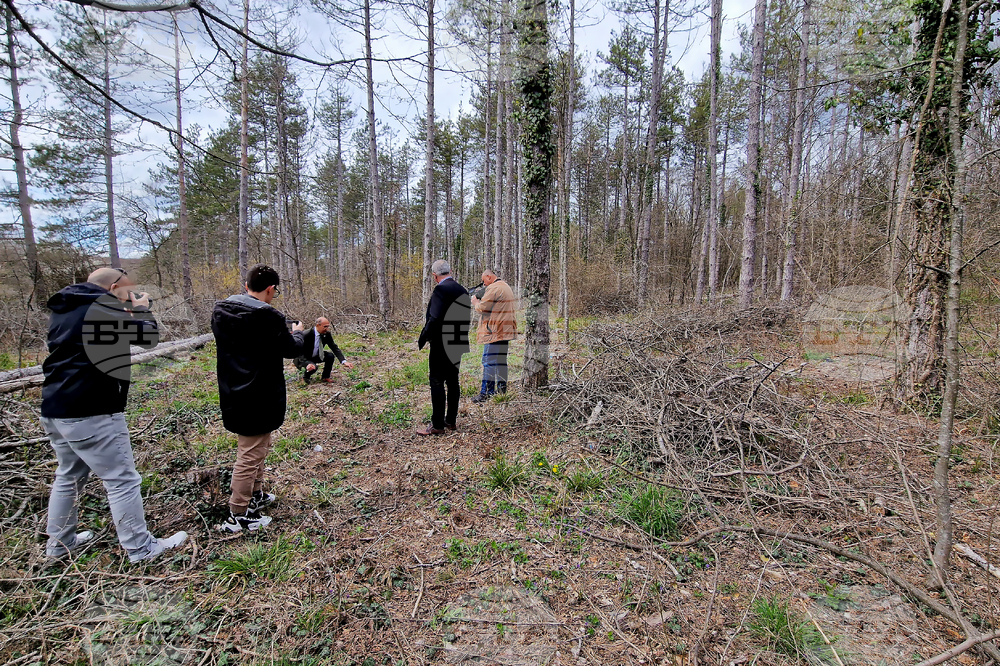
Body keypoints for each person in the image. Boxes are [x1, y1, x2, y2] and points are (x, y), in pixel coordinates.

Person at [40, 267, 187, 562]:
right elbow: (148, 338)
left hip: (56, 406)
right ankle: (141, 549)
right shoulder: (103, 308)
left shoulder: (66, 308)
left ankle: (59, 545)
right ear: (115, 285)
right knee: (122, 480)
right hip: (92, 409)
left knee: (68, 477)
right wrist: (141, 309)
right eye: (128, 288)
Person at [212, 264, 305, 532]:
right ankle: (238, 512)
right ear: (270, 289)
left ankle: (256, 494)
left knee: (259, 447)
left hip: (233, 390)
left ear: (246, 286)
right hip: (258, 394)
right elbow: (290, 349)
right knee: (250, 454)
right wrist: (297, 332)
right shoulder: (267, 317)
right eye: (275, 291)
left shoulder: (223, 312)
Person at [416, 260, 470, 435]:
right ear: (451, 271)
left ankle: (438, 425)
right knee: (453, 381)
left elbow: (435, 318)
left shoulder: (440, 289)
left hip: (441, 343)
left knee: (437, 381)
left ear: (434, 275)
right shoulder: (463, 290)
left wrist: (423, 337)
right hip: (457, 342)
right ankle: (451, 421)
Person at [470, 269, 517, 403]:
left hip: (494, 332)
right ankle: (501, 390)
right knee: (501, 362)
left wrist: (475, 302)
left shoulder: (494, 288)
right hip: (505, 330)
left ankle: (486, 394)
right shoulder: (505, 286)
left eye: (484, 280)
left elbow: (482, 308)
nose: (483, 284)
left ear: (489, 277)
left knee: (488, 362)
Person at [293, 317, 354, 383]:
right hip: (304, 358)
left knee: (330, 356)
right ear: (317, 325)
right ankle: (306, 377)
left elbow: (334, 347)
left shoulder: (326, 334)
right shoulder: (306, 334)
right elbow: (298, 351)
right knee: (313, 367)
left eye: (328, 326)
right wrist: (307, 363)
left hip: (317, 355)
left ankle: (325, 377)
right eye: (325, 326)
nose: (327, 329)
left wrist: (344, 361)